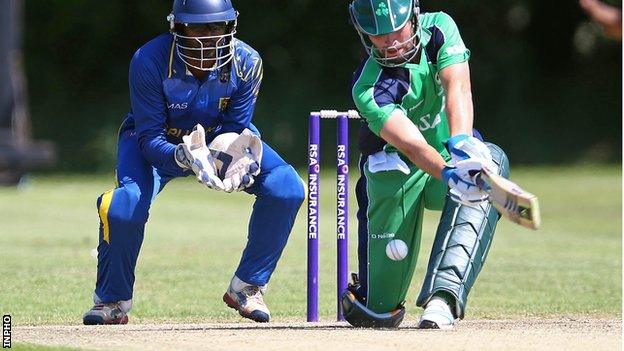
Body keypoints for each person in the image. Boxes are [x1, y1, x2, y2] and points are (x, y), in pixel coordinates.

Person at [82, 0, 305, 325]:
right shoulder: (149, 60)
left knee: (286, 186)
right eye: (197, 28)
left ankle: (247, 286)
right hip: (158, 144)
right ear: (177, 28)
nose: (206, 39)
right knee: (124, 205)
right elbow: (149, 137)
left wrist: (228, 156)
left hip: (218, 139)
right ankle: (112, 300)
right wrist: (184, 155)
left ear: (231, 27)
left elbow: (234, 125)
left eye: (216, 28)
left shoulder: (247, 62)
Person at [342, 0, 510, 329]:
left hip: (448, 154)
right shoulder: (368, 87)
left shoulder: (439, 29)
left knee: (489, 163)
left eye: (397, 30)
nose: (390, 42)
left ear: (414, 16)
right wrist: (450, 175)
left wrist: (463, 151)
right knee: (380, 312)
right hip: (394, 173)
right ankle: (376, 295)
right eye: (377, 35)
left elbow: (457, 88)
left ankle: (443, 298)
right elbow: (412, 143)